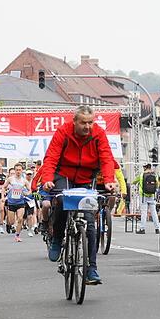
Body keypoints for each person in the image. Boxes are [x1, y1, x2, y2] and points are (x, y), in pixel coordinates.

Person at [41, 105, 116, 285]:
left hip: (86, 177)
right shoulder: (63, 132)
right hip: (63, 174)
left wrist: (109, 180)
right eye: (83, 123)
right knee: (60, 203)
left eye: (90, 123)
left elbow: (106, 158)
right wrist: (47, 180)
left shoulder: (99, 134)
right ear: (74, 121)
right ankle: (57, 240)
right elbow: (51, 158)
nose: (87, 127)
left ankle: (91, 269)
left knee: (89, 222)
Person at [3, 163, 31, 242]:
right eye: (17, 170)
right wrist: (2, 196)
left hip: (20, 202)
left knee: (20, 219)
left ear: (22, 171)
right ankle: (9, 225)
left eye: (20, 170)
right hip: (11, 202)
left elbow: (30, 190)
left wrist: (27, 194)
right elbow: (4, 187)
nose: (18, 171)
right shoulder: (10, 179)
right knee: (12, 221)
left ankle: (17, 235)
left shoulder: (24, 181)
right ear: (14, 171)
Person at [133, 163, 160, 234]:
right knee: (154, 212)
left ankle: (142, 229)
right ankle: (157, 228)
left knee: (144, 212)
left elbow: (134, 182)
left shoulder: (142, 175)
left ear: (145, 168)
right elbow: (157, 186)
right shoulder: (155, 175)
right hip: (152, 195)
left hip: (143, 196)